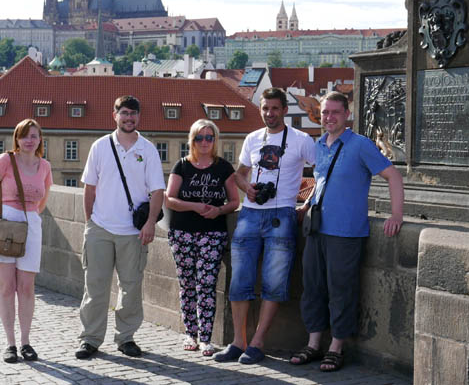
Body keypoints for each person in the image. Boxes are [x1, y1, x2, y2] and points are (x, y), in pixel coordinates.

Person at [290, 91, 404, 372]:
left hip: (346, 231)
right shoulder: (319, 145)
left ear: (346, 115)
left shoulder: (360, 144)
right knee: (313, 288)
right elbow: (321, 182)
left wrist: (397, 215)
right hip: (317, 228)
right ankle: (314, 343)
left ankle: (336, 347)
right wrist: (306, 204)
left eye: (335, 113)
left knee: (341, 290)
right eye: (325, 112)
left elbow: (393, 176)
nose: (329, 117)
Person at [214, 87, 315, 365]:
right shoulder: (251, 138)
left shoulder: (302, 140)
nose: (269, 113)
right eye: (265, 108)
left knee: (274, 282)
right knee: (239, 281)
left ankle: (257, 343)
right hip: (249, 213)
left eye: (274, 108)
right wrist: (248, 188)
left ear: (284, 110)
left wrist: (306, 205)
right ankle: (238, 341)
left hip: (282, 214)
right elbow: (239, 173)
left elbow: (322, 173)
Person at [75, 95, 165, 360]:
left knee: (131, 287)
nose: (129, 118)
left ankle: (126, 338)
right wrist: (89, 223)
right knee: (95, 287)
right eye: (124, 113)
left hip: (133, 232)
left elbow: (157, 191)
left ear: (138, 117)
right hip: (100, 228)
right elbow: (89, 188)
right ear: (114, 115)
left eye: (133, 113)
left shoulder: (147, 149)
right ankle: (90, 339)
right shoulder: (101, 146)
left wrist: (150, 224)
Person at [164, 119, 239, 357]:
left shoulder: (224, 167)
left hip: (213, 233)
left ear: (215, 140)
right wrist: (194, 206)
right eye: (200, 137)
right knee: (187, 284)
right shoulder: (182, 166)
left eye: (209, 137)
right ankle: (190, 334)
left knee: (206, 284)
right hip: (182, 231)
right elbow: (169, 199)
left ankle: (205, 338)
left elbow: (235, 202)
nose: (205, 142)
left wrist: (219, 210)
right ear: (192, 140)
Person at [0, 119, 53, 363]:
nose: (29, 140)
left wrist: (29, 216)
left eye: (34, 136)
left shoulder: (44, 166)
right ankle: (10, 343)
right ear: (17, 139)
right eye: (25, 136)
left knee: (26, 286)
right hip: (4, 222)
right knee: (5, 285)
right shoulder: (5, 160)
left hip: (31, 223)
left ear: (40, 139)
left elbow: (42, 200)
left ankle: (26, 342)